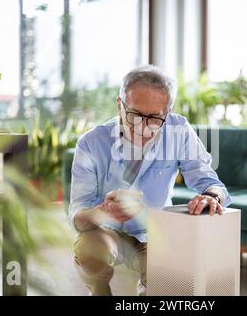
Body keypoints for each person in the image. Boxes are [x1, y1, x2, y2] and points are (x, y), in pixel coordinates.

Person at [69, 65, 232, 296]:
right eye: (134, 115)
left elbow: (210, 182)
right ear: (120, 105)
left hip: (153, 232)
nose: (143, 128)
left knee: (167, 283)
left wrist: (212, 196)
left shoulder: (179, 131)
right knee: (89, 251)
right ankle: (98, 290)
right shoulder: (91, 143)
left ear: (168, 112)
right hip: (105, 233)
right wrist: (102, 212)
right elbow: (77, 216)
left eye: (155, 118)